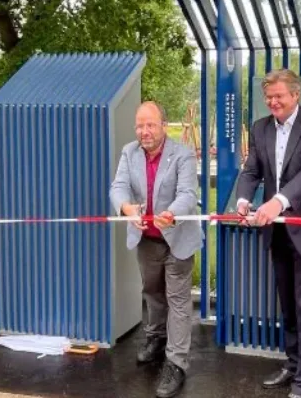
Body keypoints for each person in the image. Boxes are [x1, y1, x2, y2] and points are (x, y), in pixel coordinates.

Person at [236, 69, 301, 398]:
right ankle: (292, 366)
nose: (273, 102)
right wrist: (243, 199)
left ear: (296, 95)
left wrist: (278, 202)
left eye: (279, 96)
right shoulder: (261, 127)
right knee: (289, 306)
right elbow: (252, 170)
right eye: (269, 97)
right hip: (277, 232)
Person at [109, 102, 200, 398]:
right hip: (146, 238)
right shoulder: (129, 152)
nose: (144, 131)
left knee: (177, 300)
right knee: (152, 293)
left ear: (163, 125)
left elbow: (188, 194)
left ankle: (176, 362)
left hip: (178, 238)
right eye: (139, 125)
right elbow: (118, 187)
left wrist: (171, 213)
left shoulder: (182, 154)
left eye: (150, 125)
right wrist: (125, 206)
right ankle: (155, 338)